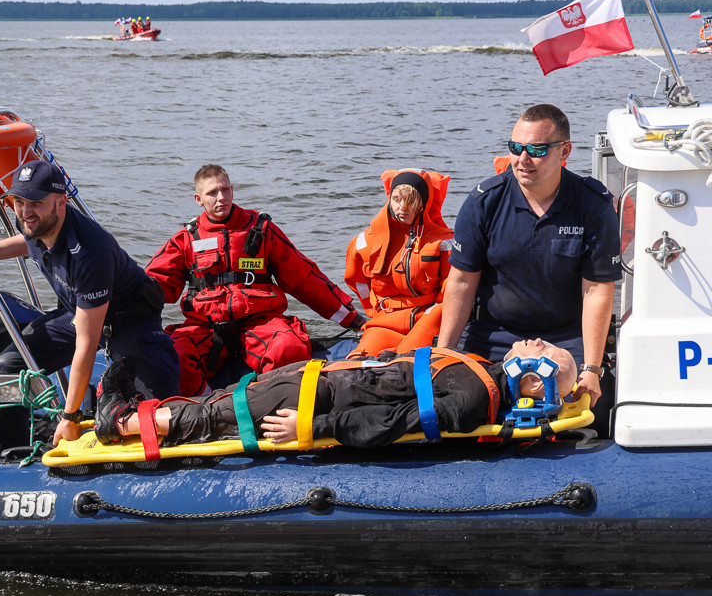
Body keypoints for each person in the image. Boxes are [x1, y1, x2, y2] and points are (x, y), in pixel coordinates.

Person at [0, 159, 179, 453]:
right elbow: (29, 238)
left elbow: (87, 345)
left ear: (61, 203)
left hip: (129, 323)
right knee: (5, 367)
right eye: (19, 201)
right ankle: (14, 449)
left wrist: (70, 416)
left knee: (155, 415)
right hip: (80, 313)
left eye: (35, 202)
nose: (25, 211)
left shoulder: (91, 252)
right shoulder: (36, 221)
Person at [437, 104, 621, 405]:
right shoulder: (483, 203)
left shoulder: (593, 205)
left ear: (565, 151)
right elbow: (461, 282)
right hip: (494, 335)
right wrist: (445, 352)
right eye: (516, 147)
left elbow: (598, 290)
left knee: (591, 409)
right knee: (463, 405)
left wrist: (591, 367)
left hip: (567, 338)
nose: (523, 159)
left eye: (536, 149)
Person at [93, 338, 577, 448]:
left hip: (322, 401)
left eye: (544, 348)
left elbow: (393, 423)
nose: (534, 341)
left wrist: (311, 428)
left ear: (534, 380)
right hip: (328, 376)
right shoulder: (481, 368)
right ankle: (138, 413)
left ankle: (121, 423)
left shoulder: (474, 399)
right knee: (224, 400)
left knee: (226, 414)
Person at [146, 163, 367, 396]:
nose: (221, 197)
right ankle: (208, 411)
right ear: (199, 199)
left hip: (259, 321)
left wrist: (352, 318)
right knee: (172, 358)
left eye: (226, 190)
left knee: (287, 349)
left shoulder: (261, 229)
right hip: (206, 325)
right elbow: (154, 283)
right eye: (212, 193)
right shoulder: (186, 239)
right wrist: (119, 312)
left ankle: (269, 404)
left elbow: (303, 278)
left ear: (232, 190)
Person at [344, 169, 453, 358]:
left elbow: (451, 292)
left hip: (427, 318)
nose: (403, 207)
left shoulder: (443, 241)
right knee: (356, 362)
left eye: (411, 200)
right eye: (396, 199)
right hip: (384, 319)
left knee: (405, 362)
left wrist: (433, 317)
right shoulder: (363, 242)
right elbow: (358, 282)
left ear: (422, 204)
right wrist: (373, 309)